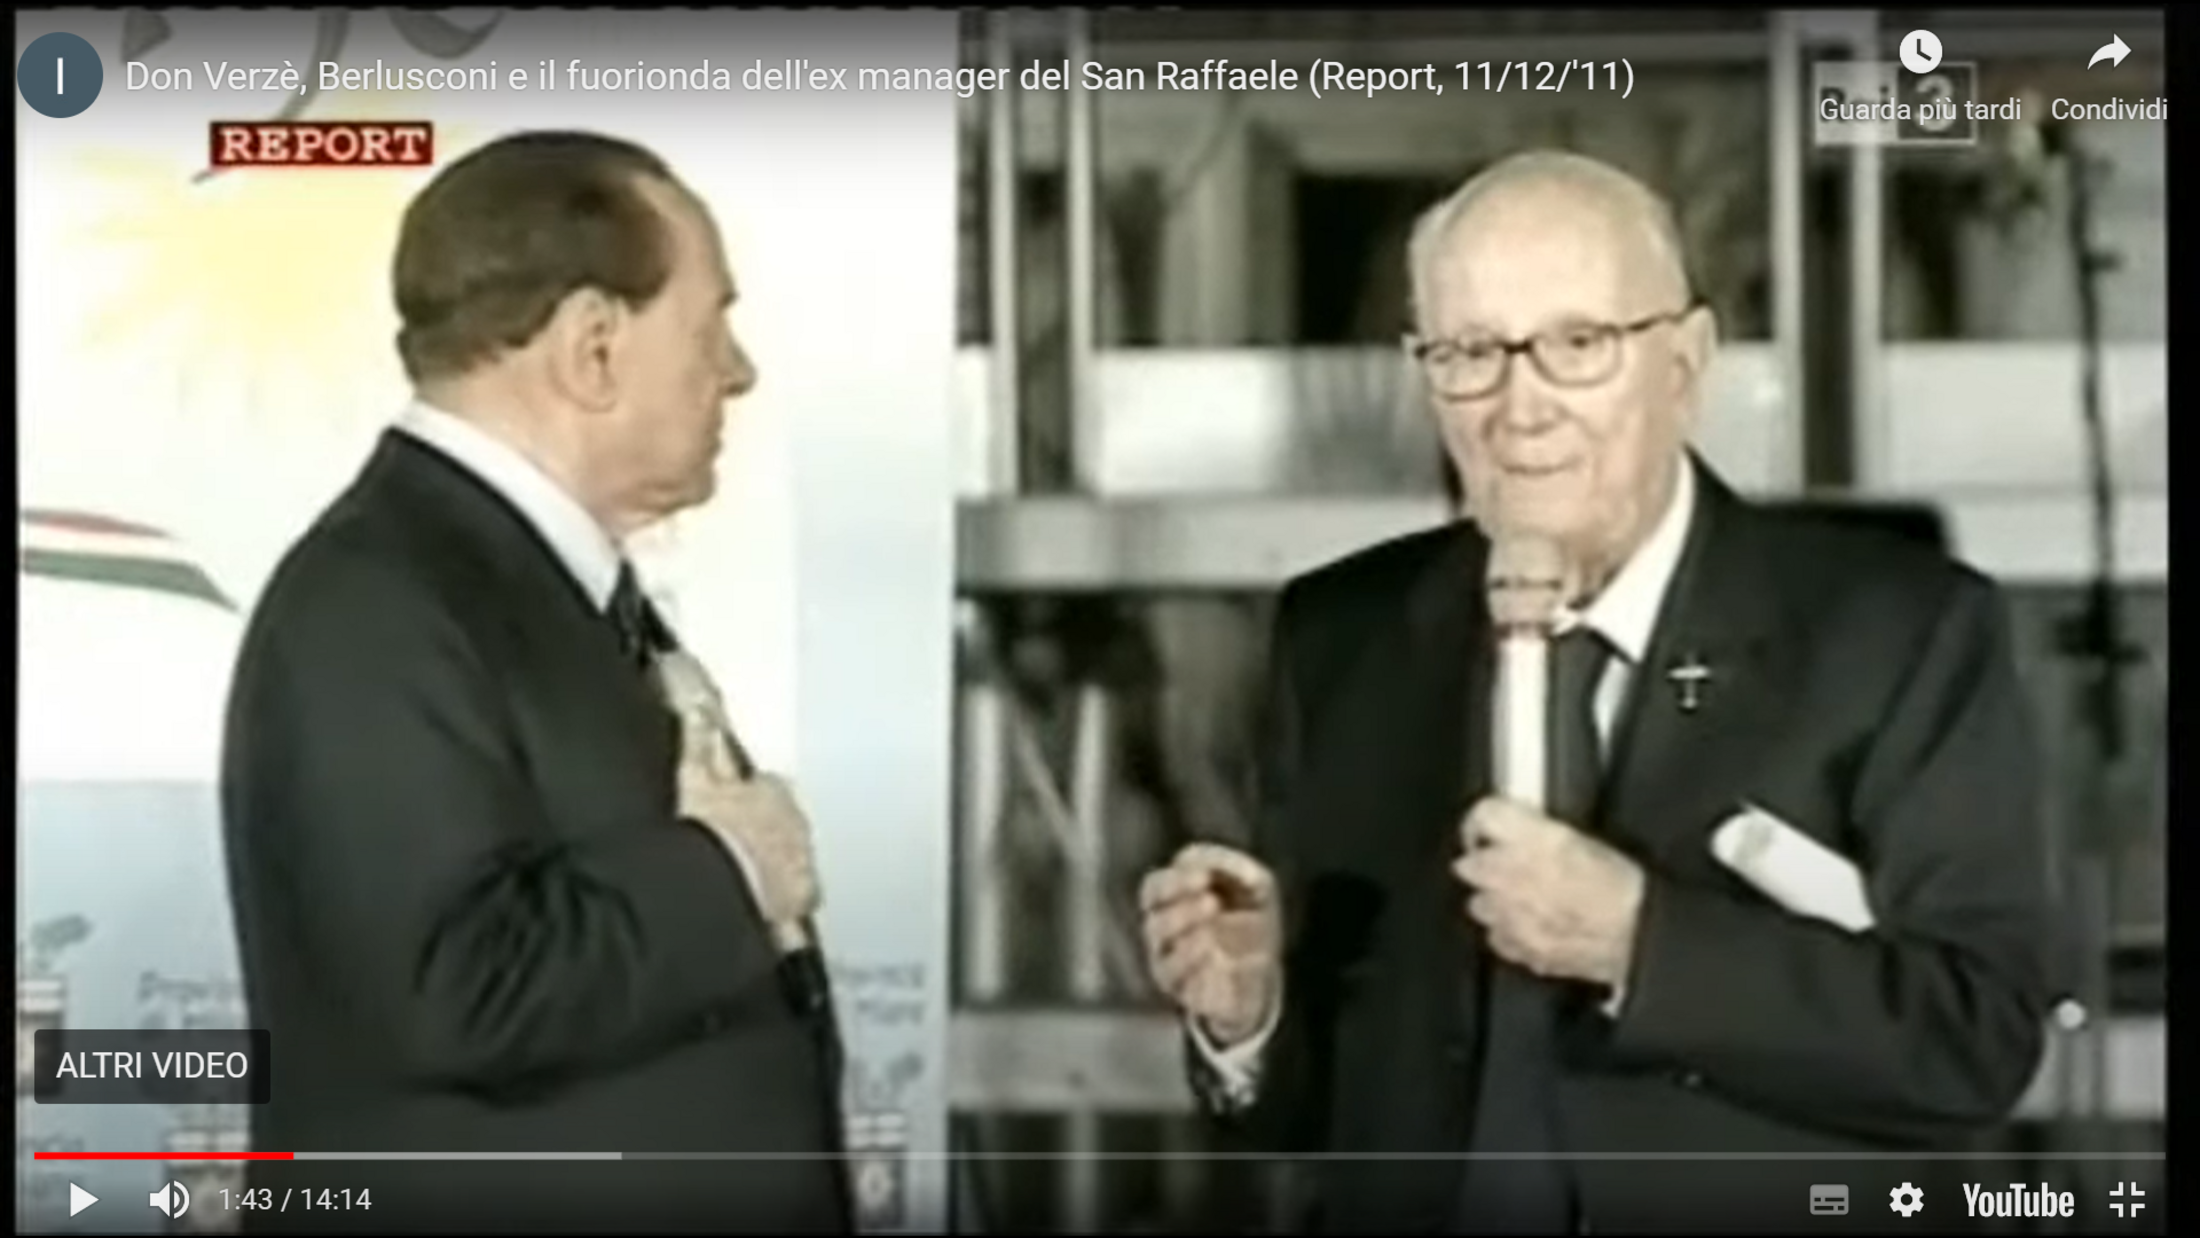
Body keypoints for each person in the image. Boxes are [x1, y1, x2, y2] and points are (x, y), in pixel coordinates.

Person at [1138, 151, 2061, 1234]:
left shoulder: (1896, 633)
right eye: (1469, 353)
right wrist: (1248, 1015)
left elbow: (1976, 1041)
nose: (1518, 409)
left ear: (1683, 365)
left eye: (1577, 346)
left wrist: (1638, 940)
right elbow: (1317, 1110)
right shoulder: (1342, 634)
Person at [219, 131, 851, 1233]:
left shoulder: (511, 580)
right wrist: (731, 866)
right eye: (711, 326)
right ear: (593, 348)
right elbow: (454, 986)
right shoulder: (374, 601)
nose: (737, 370)